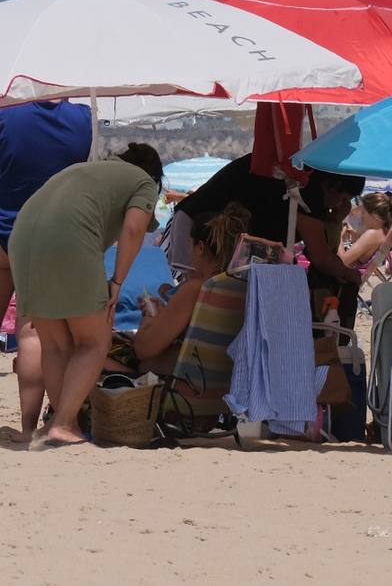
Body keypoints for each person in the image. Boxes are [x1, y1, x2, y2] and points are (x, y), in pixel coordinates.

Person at [10, 143, 163, 448]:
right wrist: (117, 282)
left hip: (21, 239)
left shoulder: (87, 171)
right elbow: (134, 229)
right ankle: (64, 423)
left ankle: (61, 422)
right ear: (155, 178)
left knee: (55, 344)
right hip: (68, 239)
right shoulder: (142, 182)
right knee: (94, 340)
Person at [0, 99, 93, 443]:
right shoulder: (83, 118)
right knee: (31, 335)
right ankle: (28, 429)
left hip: (2, 226)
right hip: (44, 234)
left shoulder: (7, 114)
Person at [119, 203, 252, 375]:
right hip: (227, 383)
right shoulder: (242, 285)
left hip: (191, 386)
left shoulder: (198, 289)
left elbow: (144, 348)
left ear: (200, 248)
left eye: (190, 246)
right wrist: (166, 313)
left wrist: (150, 316)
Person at [168, 152, 291, 271]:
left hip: (194, 223)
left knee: (197, 284)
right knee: (196, 283)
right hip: (195, 225)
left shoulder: (269, 167)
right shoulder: (277, 171)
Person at [294, 170, 367, 329]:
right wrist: (347, 273)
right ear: (333, 187)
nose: (342, 204)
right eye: (343, 198)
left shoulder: (308, 188)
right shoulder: (310, 194)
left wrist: (336, 219)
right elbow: (322, 258)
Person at [339, 192, 392, 269]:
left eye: (363, 213)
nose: (361, 217)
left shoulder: (372, 234)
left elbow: (343, 261)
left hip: (344, 276)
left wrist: (338, 235)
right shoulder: (383, 232)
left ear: (375, 216)